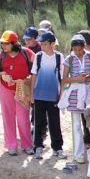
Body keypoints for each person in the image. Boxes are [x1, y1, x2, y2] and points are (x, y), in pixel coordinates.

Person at [0, 31, 34, 156]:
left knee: (23, 117)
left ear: (14, 43)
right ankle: (11, 144)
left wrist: (30, 77)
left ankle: (27, 144)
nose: (4, 46)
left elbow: (37, 65)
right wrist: (1, 74)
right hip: (6, 88)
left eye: (7, 43)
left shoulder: (27, 53)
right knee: (8, 116)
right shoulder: (0, 56)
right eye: (3, 43)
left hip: (22, 87)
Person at [60, 34, 90, 165]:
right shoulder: (68, 59)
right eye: (75, 49)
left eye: (80, 49)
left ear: (84, 47)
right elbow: (64, 79)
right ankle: (78, 154)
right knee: (76, 125)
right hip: (74, 95)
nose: (77, 52)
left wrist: (89, 76)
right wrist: (78, 79)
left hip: (88, 93)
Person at [30, 32, 65, 160]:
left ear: (52, 44)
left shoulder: (59, 57)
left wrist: (61, 94)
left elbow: (62, 78)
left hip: (53, 96)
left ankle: (58, 148)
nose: (42, 46)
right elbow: (34, 75)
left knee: (55, 122)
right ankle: (38, 147)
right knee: (38, 122)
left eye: (44, 44)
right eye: (41, 44)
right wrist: (32, 94)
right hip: (39, 95)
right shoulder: (38, 56)